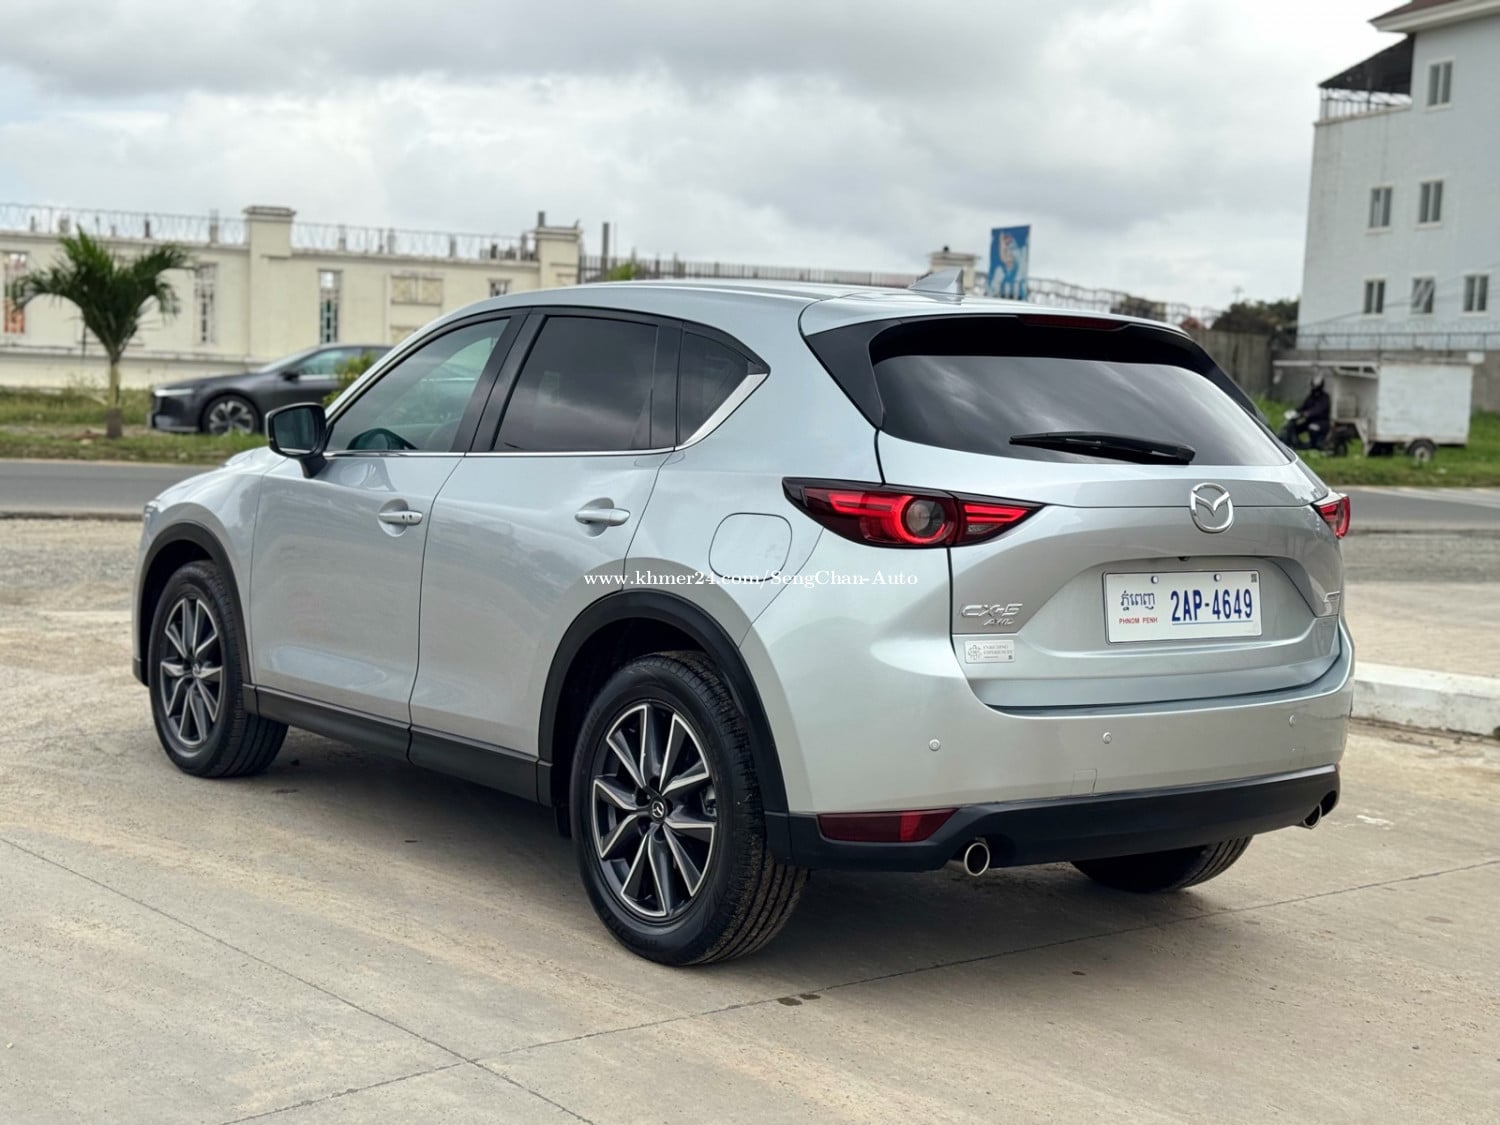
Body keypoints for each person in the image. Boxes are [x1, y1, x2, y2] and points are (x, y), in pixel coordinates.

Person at [1282, 375, 1331, 449]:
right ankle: (1295, 444)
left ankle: (1315, 445)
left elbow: (1319, 409)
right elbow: (1304, 406)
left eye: (1316, 385)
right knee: (1295, 427)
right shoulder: (1311, 396)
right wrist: (1295, 411)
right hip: (1309, 420)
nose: (1314, 387)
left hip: (1321, 422)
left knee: (1312, 428)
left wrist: (1308, 413)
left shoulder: (1325, 397)